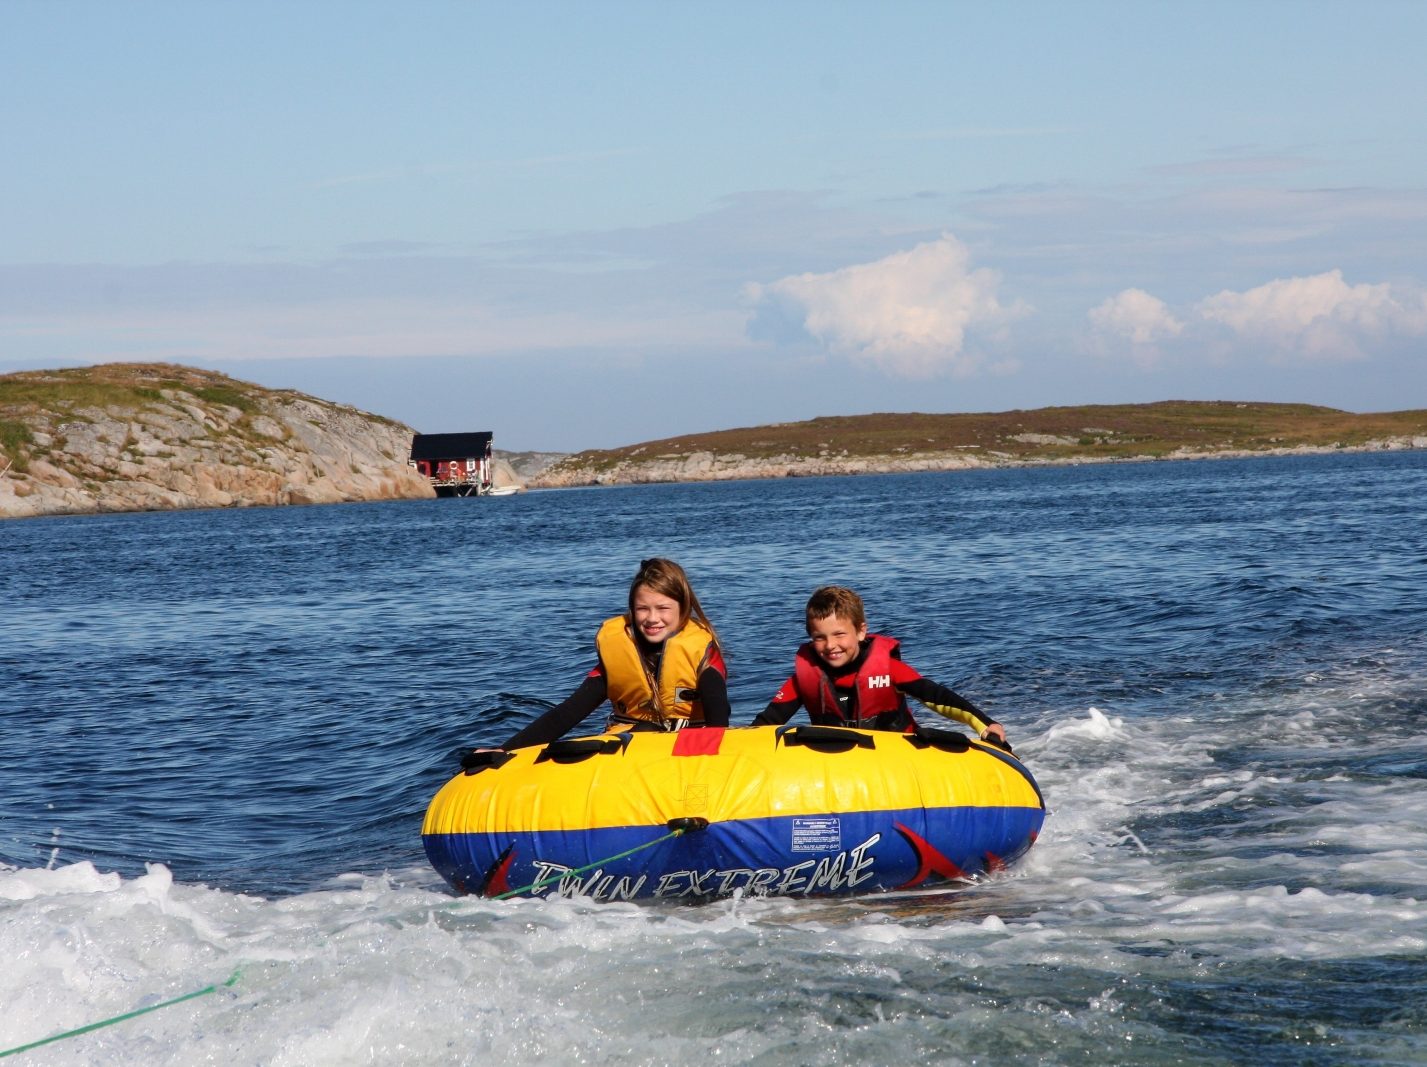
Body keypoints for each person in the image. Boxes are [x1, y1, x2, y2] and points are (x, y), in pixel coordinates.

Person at [497, 558, 730, 750]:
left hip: (686, 748)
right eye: (642, 609)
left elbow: (718, 718)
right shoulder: (617, 652)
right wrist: (506, 749)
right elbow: (569, 712)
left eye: (662, 608)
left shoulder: (703, 654)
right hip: (632, 749)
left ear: (684, 608)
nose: (651, 618)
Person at [752, 585, 1008, 746]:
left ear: (861, 632)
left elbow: (938, 697)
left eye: (840, 634)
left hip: (897, 756)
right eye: (820, 637)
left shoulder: (888, 668)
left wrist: (986, 724)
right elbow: (767, 722)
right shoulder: (804, 678)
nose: (830, 645)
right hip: (840, 762)